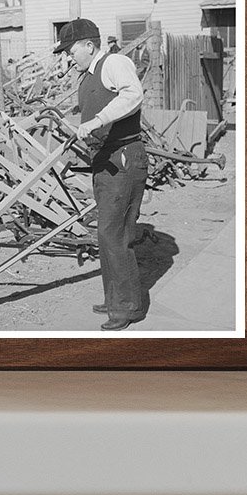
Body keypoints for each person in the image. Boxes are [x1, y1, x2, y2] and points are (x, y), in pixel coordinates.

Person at [54, 18, 148, 330]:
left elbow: (133, 95)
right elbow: (98, 104)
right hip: (106, 161)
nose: (69, 56)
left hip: (123, 158)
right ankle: (115, 300)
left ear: (89, 45)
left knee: (115, 234)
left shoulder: (114, 62)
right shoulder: (89, 75)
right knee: (106, 235)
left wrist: (96, 121)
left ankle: (124, 309)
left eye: (70, 50)